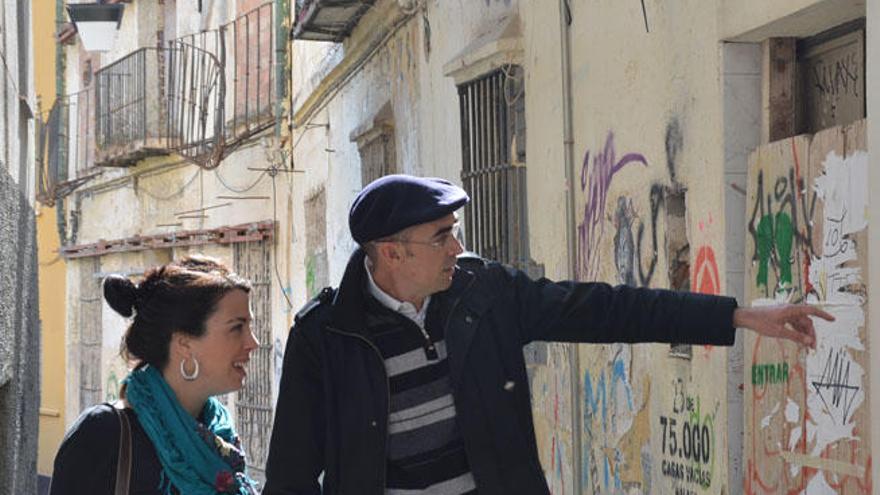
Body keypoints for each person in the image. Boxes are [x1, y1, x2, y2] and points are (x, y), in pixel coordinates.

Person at [263, 175, 833, 495]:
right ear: (391, 253)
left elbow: (607, 309)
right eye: (442, 237)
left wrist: (735, 315)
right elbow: (290, 478)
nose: (457, 249)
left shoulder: (482, 296)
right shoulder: (325, 338)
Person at [50, 255, 261, 495]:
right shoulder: (103, 434)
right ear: (184, 343)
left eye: (249, 326)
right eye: (237, 327)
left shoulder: (219, 436)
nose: (253, 342)